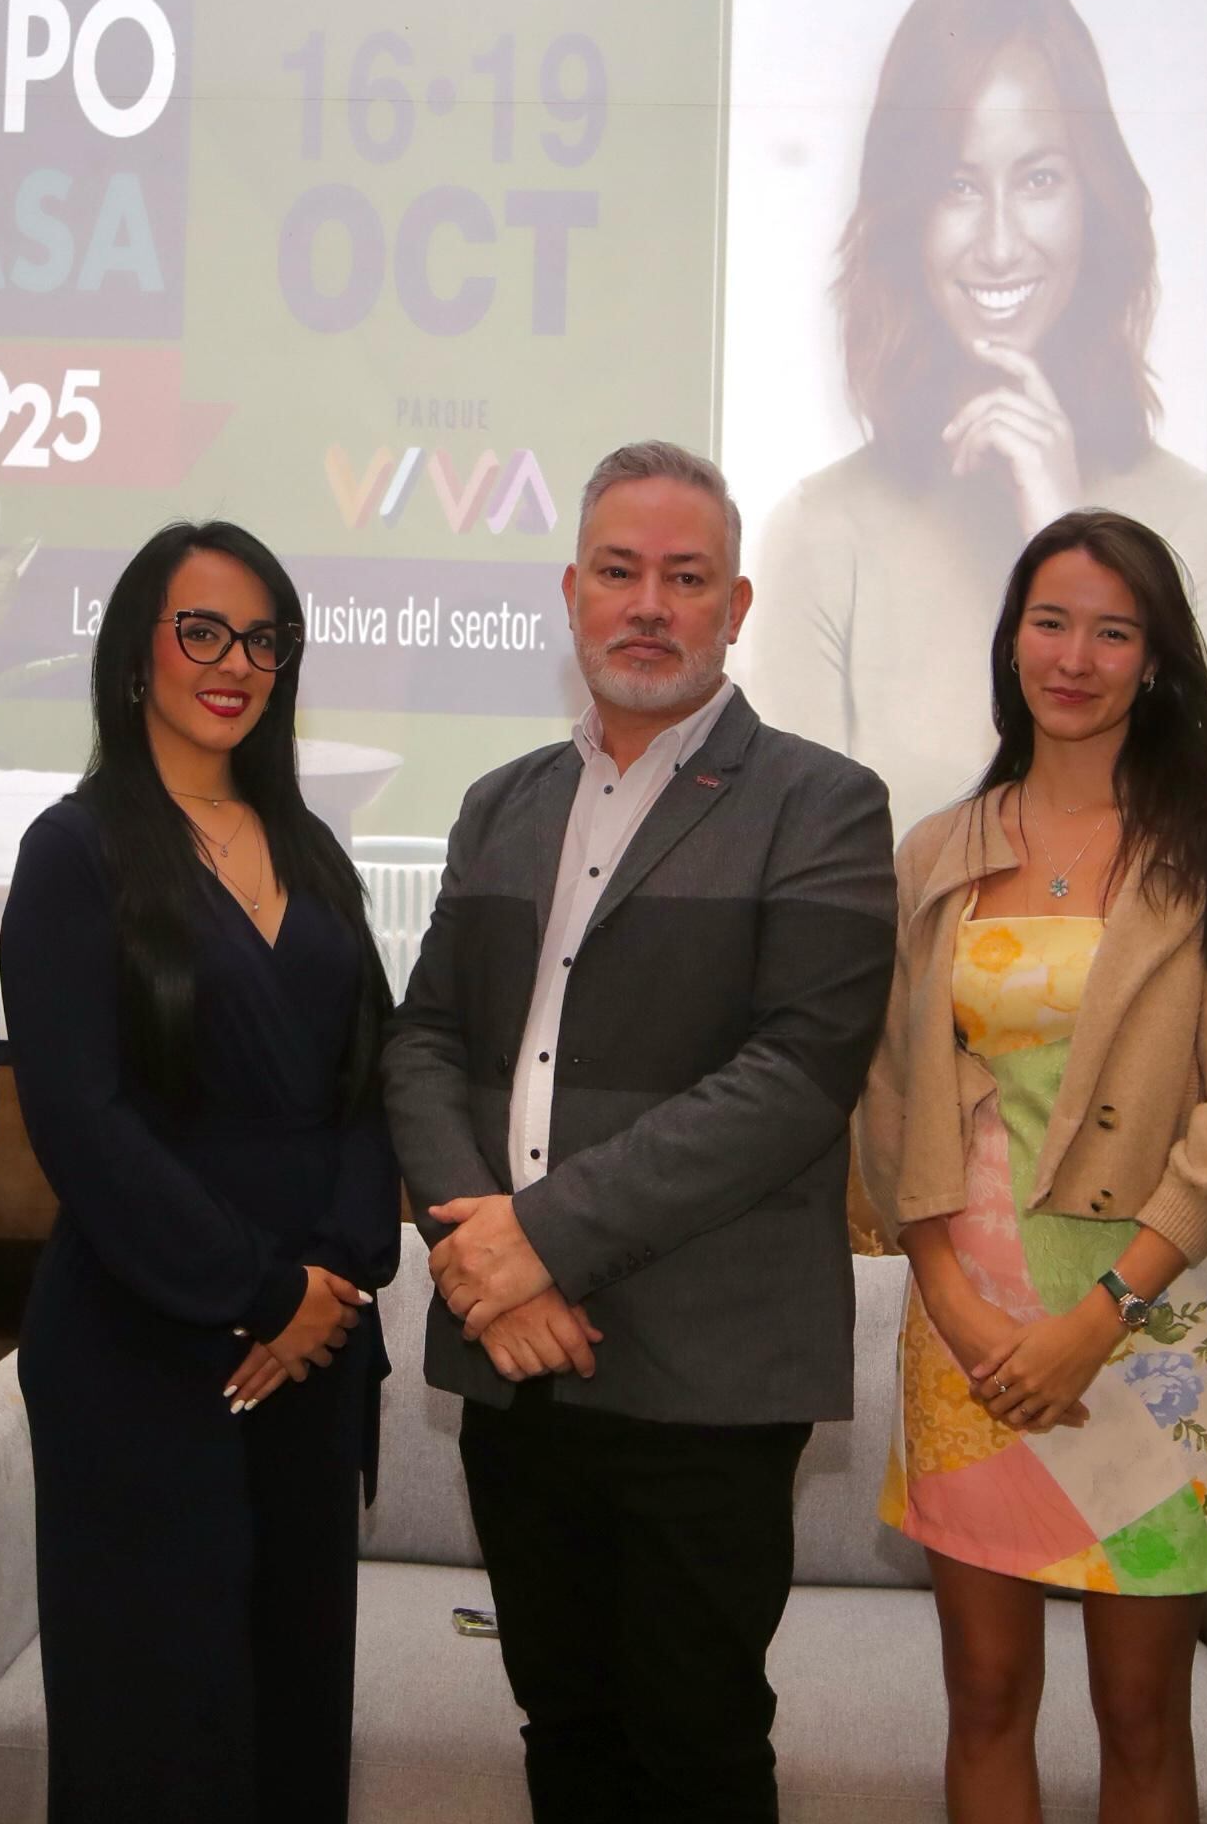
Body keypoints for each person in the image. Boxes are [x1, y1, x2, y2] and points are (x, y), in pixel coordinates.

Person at [383, 439, 897, 1823]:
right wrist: (485, 1261)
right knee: (563, 1732)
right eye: (620, 572)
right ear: (572, 593)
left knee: (697, 1751)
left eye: (687, 577)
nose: (650, 605)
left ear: (737, 606)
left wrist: (537, 1242)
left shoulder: (823, 804)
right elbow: (424, 1042)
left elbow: (794, 1078)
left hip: (706, 1375)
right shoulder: (502, 803)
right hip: (513, 1363)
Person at [852, 510, 1207, 1824]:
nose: (1076, 657)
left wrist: (1097, 1319)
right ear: (1012, 642)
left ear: (1155, 660)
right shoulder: (937, 851)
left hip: (1149, 1329)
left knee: (1143, 1713)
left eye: (1113, 632)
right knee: (986, 1696)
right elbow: (890, 1100)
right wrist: (952, 1295)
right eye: (1051, 622)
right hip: (969, 1329)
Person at [0, 521, 400, 1822]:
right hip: (141, 1353)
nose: (236, 663)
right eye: (204, 632)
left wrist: (331, 1278)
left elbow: (370, 1081)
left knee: (291, 1725)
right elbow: (82, 1122)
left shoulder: (315, 850)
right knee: (153, 1745)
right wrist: (259, 1292)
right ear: (138, 653)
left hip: (314, 1358)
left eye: (263, 640)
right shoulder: (75, 851)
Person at [741, 0, 1207, 828]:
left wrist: (1069, 537)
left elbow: (1192, 854)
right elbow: (800, 873)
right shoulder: (821, 533)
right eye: (956, 186)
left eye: (1038, 180)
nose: (997, 245)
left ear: (1094, 199)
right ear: (907, 216)